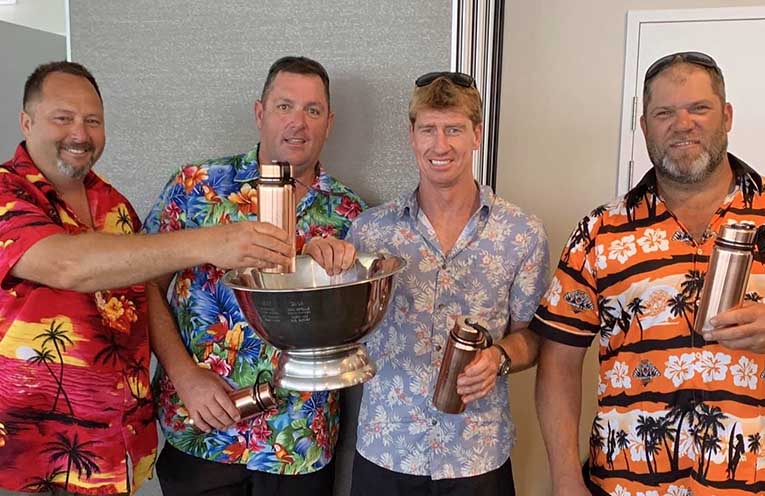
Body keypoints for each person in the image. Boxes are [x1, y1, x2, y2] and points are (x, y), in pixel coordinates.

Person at [0, 62, 294, 495]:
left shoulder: (113, 204)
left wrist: (182, 371)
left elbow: (142, 292)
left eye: (92, 121)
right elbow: (67, 265)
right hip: (34, 461)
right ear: (27, 122)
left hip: (118, 453)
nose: (80, 134)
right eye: (63, 117)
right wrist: (209, 243)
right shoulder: (7, 194)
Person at [533, 51, 765, 496]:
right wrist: (565, 479)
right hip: (626, 486)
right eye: (664, 113)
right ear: (644, 127)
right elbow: (559, 362)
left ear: (727, 116)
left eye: (699, 108)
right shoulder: (599, 232)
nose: (683, 124)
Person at [143, 55, 365, 495]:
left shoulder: (349, 213)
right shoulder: (196, 186)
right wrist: (184, 375)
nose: (298, 122)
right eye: (285, 106)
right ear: (260, 112)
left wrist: (334, 275)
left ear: (329, 123)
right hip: (201, 432)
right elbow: (143, 284)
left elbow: (356, 331)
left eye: (313, 110)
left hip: (298, 441)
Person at [339, 71, 548, 495]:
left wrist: (499, 357)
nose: (440, 145)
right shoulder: (369, 231)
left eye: (453, 129)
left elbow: (535, 337)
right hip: (387, 451)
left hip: (477, 457)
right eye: (428, 129)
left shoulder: (521, 233)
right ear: (411, 136)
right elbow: (342, 332)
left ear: (476, 135)